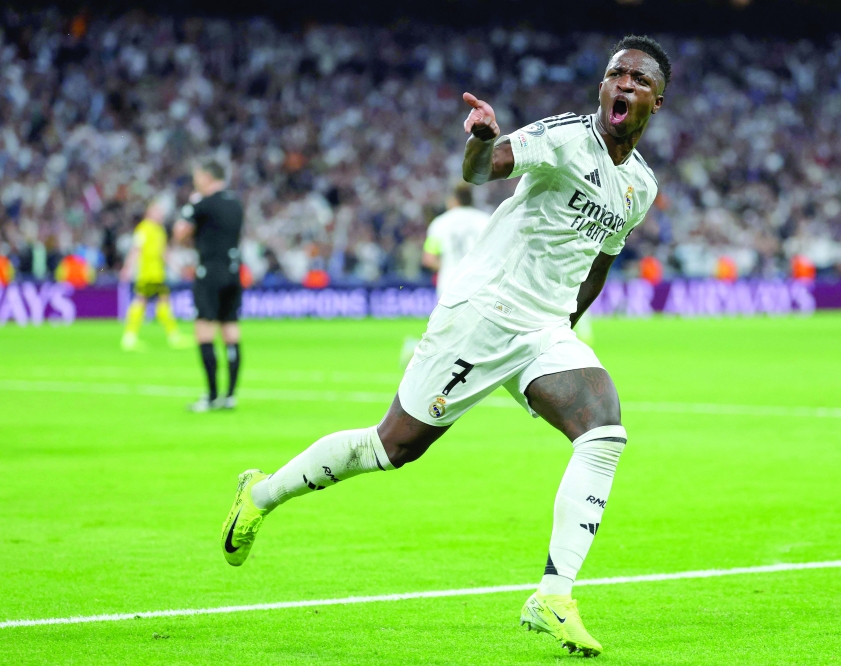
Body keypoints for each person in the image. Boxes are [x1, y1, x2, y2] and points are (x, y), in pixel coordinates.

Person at [220, 35, 668, 657]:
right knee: (392, 447)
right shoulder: (565, 138)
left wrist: (563, 327)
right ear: (602, 87)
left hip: (543, 329)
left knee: (604, 431)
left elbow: (600, 262)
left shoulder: (640, 186)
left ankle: (554, 595)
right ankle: (261, 493)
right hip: (481, 313)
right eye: (617, 74)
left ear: (656, 102)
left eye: (639, 80)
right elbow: (483, 170)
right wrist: (481, 139)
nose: (624, 84)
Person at [173, 161, 245, 411]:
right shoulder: (236, 204)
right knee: (231, 330)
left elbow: (180, 233)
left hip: (210, 272)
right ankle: (230, 396)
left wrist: (190, 206)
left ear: (206, 176)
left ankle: (212, 396)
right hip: (233, 271)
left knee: (204, 330)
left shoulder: (202, 203)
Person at [399, 183, 490, 366]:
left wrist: (450, 265)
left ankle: (417, 352)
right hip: (479, 283)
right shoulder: (485, 220)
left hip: (449, 283)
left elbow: (429, 259)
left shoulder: (440, 223)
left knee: (447, 330)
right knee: (476, 330)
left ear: (453, 200)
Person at [120, 200, 191, 351]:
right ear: (149, 213)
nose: (160, 215)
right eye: (157, 212)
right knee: (142, 301)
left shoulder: (160, 231)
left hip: (158, 273)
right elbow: (136, 249)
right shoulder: (144, 228)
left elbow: (163, 253)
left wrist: (177, 267)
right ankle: (129, 338)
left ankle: (172, 336)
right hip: (147, 274)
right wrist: (127, 268)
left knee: (161, 302)